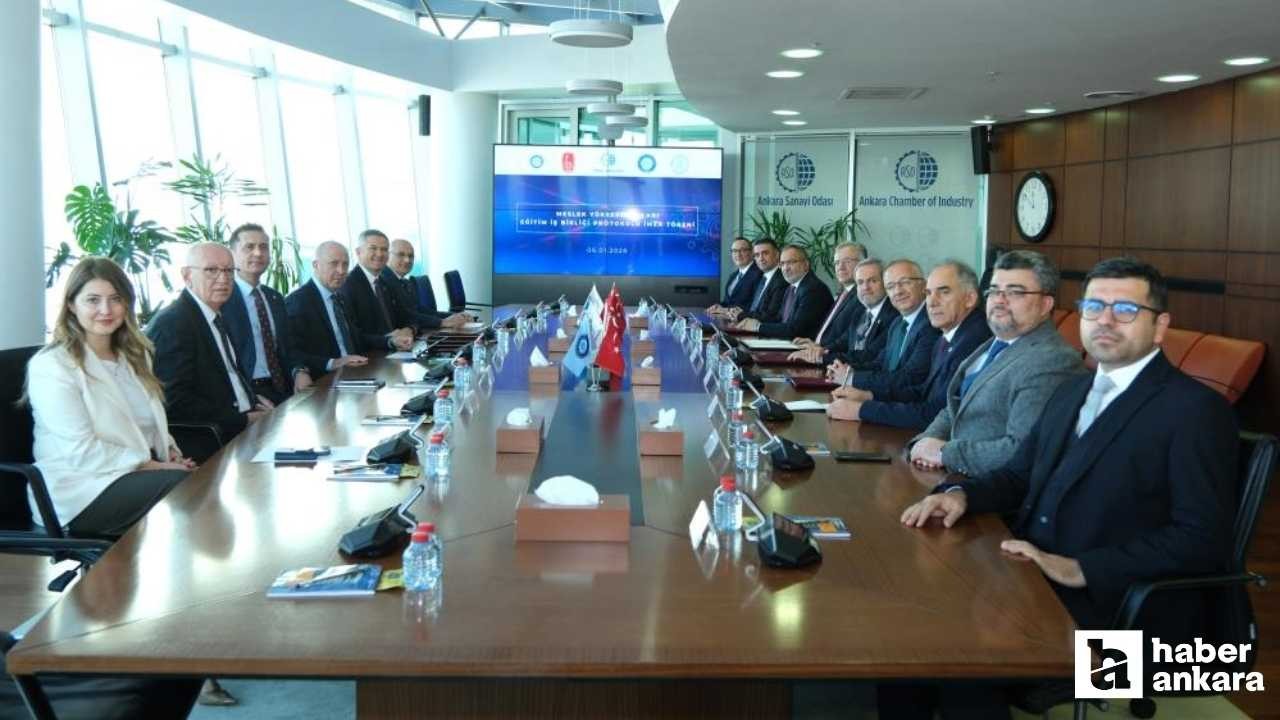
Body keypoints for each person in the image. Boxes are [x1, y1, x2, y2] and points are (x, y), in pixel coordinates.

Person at [895, 258, 1237, 719]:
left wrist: (1080, 568)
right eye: (1094, 307)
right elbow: (1019, 475)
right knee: (911, 637)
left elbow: (1202, 539)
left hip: (1123, 611)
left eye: (1125, 310)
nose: (1105, 320)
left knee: (962, 660)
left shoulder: (1195, 411)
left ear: (1160, 326)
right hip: (1032, 577)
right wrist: (960, 496)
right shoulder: (1073, 392)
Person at [25, 257, 194, 539]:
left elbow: (144, 422)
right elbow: (82, 452)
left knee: (202, 481)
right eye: (93, 300)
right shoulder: (53, 366)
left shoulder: (134, 355)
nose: (106, 310)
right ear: (71, 305)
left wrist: (170, 452)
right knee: (187, 488)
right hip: (79, 490)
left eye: (115, 299)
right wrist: (155, 467)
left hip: (129, 475)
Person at [907, 250, 1085, 477]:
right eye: (994, 291)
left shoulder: (1053, 360)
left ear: (1045, 304)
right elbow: (955, 408)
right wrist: (923, 443)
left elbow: (1020, 451)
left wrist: (944, 453)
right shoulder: (995, 342)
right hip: (943, 474)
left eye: (1015, 292)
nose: (1000, 300)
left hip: (984, 488)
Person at [827, 260, 991, 430]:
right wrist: (868, 395)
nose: (932, 302)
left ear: (970, 298)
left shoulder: (974, 338)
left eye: (944, 292)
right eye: (929, 293)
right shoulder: (948, 335)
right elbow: (922, 391)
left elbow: (935, 412)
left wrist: (862, 410)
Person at [148, 243, 275, 461]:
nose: (223, 279)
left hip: (246, 426)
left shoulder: (216, 314)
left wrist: (256, 401)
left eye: (229, 271)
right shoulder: (173, 323)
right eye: (211, 270)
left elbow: (229, 377)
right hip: (210, 440)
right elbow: (174, 401)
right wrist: (243, 420)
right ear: (187, 276)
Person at [221, 223, 312, 405]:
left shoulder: (274, 298)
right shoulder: (223, 300)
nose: (258, 253)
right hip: (250, 392)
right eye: (249, 247)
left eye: (263, 247)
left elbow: (289, 346)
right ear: (232, 254)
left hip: (285, 386)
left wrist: (299, 370)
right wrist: (248, 398)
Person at [826, 259, 936, 394]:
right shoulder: (897, 324)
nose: (898, 291)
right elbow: (880, 364)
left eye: (905, 282)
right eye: (891, 286)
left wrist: (852, 379)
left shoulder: (931, 324)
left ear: (923, 285)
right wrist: (846, 370)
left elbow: (910, 379)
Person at [285, 241, 370, 378]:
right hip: (324, 378)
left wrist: (388, 340)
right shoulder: (298, 301)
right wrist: (332, 363)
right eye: (334, 264)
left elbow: (358, 337)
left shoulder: (340, 298)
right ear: (316, 265)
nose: (341, 271)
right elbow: (292, 352)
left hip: (356, 370)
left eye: (345, 264)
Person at [788, 242, 868, 363]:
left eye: (847, 261)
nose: (840, 267)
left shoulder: (863, 296)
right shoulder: (844, 293)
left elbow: (848, 339)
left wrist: (823, 349)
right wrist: (815, 343)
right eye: (837, 263)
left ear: (863, 264)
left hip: (834, 361)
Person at [732, 245, 833, 338]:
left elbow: (795, 330)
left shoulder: (812, 289)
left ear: (806, 264)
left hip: (805, 346)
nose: (785, 268)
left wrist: (758, 327)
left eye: (791, 262)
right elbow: (778, 319)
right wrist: (752, 322)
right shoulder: (791, 288)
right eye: (782, 263)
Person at [340, 229, 415, 351]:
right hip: (371, 355)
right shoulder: (347, 285)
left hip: (397, 350)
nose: (379, 254)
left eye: (384, 249)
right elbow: (353, 336)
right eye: (373, 248)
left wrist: (409, 329)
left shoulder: (384, 282)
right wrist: (389, 341)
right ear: (358, 252)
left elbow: (406, 316)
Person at [382, 238, 469, 331]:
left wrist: (454, 316)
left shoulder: (405, 282)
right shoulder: (383, 281)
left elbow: (419, 310)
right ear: (388, 256)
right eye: (401, 255)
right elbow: (405, 316)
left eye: (411, 256)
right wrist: (442, 322)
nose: (407, 260)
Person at [717, 237, 786, 323]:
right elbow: (755, 309)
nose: (761, 258)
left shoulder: (779, 280)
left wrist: (739, 315)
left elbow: (770, 316)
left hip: (757, 327)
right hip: (745, 322)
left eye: (765, 253)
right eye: (757, 255)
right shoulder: (764, 278)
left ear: (777, 255)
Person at [708, 237, 762, 316]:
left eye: (742, 250)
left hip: (744, 320)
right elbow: (728, 302)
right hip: (727, 319)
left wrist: (726, 310)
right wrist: (718, 306)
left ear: (751, 252)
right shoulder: (733, 276)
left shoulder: (758, 274)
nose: (738, 254)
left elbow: (754, 306)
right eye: (734, 251)